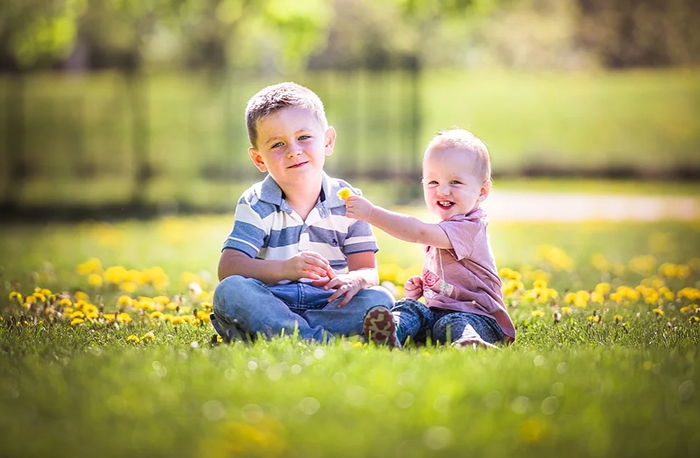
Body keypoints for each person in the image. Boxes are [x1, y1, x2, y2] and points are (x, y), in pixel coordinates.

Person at [211, 82, 394, 343]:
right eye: (277, 145)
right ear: (259, 159)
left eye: (304, 137)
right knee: (231, 291)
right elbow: (229, 268)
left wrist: (354, 280)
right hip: (271, 300)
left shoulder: (348, 202)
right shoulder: (256, 202)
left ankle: (288, 333)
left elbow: (367, 270)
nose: (294, 151)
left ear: (328, 141)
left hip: (328, 303)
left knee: (380, 297)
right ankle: (317, 338)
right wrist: (286, 269)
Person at [345, 129, 516, 348]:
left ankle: (470, 342)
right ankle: (390, 330)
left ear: (482, 191)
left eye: (455, 182)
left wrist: (371, 214)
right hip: (438, 315)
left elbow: (418, 232)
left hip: (481, 319)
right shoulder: (446, 227)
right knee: (410, 307)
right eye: (433, 182)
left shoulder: (470, 227)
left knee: (454, 321)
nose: (443, 191)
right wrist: (423, 289)